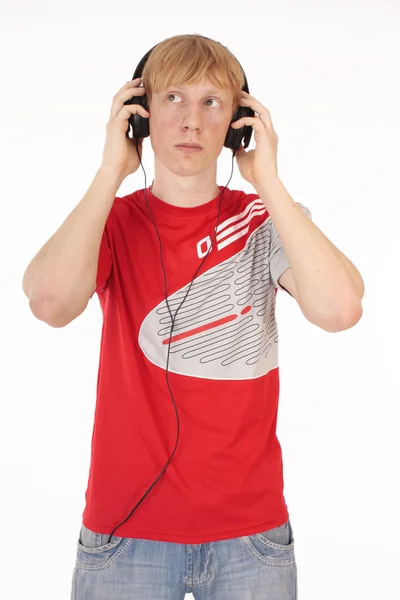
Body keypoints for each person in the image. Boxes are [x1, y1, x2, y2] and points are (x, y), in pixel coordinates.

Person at [22, 34, 364, 600]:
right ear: (140, 116)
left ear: (238, 122)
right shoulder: (109, 221)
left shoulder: (263, 220)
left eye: (213, 102)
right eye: (173, 99)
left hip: (250, 539)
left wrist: (269, 182)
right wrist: (111, 171)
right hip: (124, 535)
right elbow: (49, 303)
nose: (191, 122)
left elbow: (341, 309)